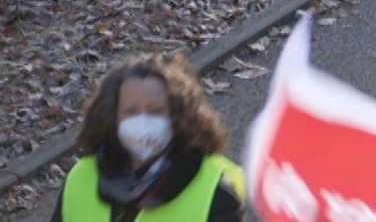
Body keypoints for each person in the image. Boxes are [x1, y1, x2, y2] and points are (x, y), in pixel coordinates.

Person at [56, 55, 242, 222]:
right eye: (131, 111)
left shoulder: (216, 190)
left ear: (180, 117)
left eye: (156, 111)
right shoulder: (80, 178)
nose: (143, 122)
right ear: (111, 116)